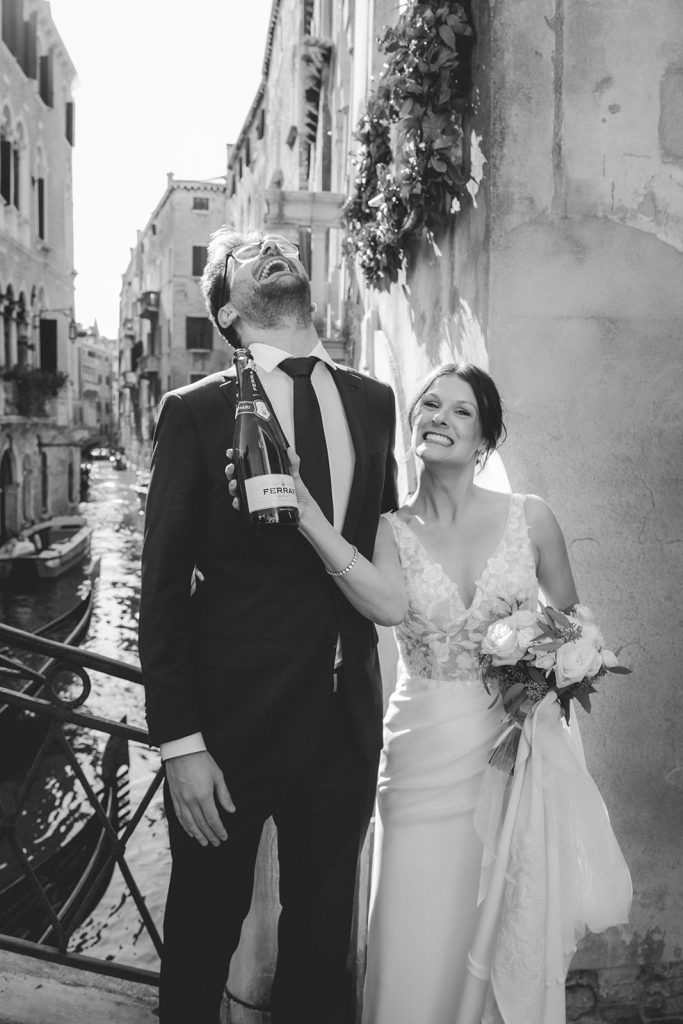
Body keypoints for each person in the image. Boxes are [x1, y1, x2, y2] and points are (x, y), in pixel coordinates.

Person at [229, 361, 631, 1024]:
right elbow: (387, 606)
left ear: (485, 439)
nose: (439, 418)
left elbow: (572, 626)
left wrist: (548, 674)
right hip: (421, 757)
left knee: (502, 918)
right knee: (414, 926)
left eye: (461, 410)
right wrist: (304, 512)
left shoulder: (532, 519)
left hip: (511, 757)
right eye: (430, 405)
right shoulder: (389, 531)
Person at [138, 228, 399, 1024]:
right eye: (248, 254)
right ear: (226, 312)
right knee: (200, 936)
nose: (272, 250)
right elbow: (160, 592)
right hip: (229, 732)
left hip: (343, 724)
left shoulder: (373, 402)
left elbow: (380, 546)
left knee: (320, 950)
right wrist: (180, 744)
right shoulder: (196, 411)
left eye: (279, 245)